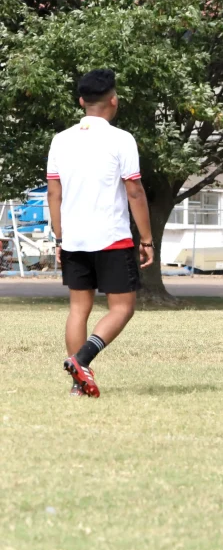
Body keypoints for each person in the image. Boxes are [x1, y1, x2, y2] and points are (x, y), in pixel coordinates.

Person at [46, 69, 155, 397]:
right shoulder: (121, 139)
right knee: (122, 308)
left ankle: (78, 385)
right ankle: (82, 360)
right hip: (111, 237)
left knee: (79, 309)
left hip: (74, 238)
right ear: (114, 99)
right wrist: (147, 239)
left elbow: (54, 193)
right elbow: (134, 191)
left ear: (81, 101)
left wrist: (59, 238)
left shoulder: (61, 140)